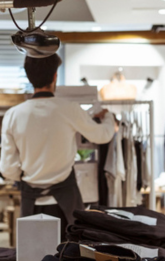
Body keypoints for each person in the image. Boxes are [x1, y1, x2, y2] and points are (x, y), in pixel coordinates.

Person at [0, 54, 115, 240]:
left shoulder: (13, 115)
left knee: (35, 259)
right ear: (55, 76)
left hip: (31, 202)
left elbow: (7, 169)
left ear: (28, 77)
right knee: (70, 257)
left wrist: (23, 176)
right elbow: (102, 136)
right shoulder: (68, 109)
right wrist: (108, 117)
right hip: (66, 202)